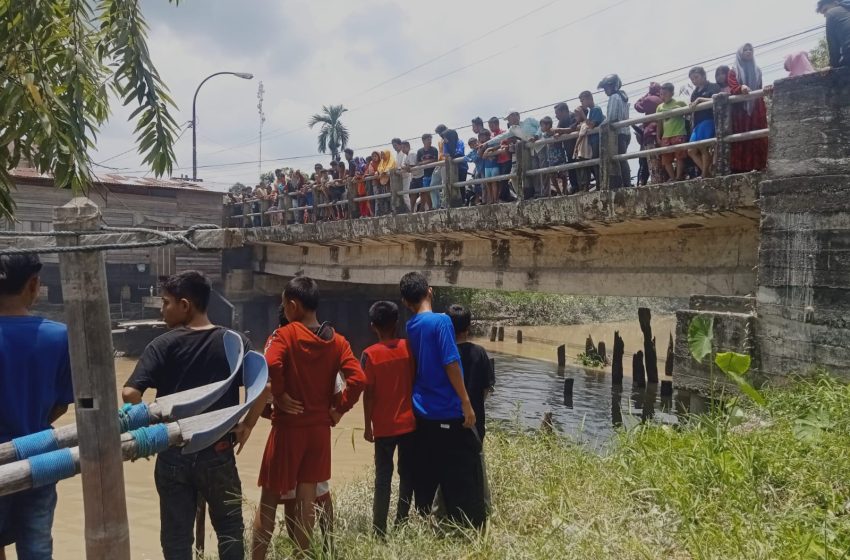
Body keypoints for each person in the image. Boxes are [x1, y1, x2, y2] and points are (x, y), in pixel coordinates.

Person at [123, 271, 251, 560]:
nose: (161, 309)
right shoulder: (234, 341)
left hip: (173, 451)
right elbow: (264, 384)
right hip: (218, 450)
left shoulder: (162, 345)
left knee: (176, 537)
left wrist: (149, 424)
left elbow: (130, 394)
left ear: (185, 305)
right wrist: (247, 425)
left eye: (166, 302)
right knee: (230, 528)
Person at [253, 277, 366, 557]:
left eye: (284, 304)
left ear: (293, 306)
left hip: (288, 430)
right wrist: (339, 408)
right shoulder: (337, 341)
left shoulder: (283, 335)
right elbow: (359, 379)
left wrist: (278, 394)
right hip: (319, 432)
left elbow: (269, 364)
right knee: (307, 500)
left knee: (269, 499)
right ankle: (302, 556)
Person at [0, 254, 73, 560]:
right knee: (37, 546)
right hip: (40, 453)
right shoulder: (59, 335)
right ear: (33, 284)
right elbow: (61, 405)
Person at [399, 272, 485, 529]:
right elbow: (450, 363)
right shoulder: (443, 322)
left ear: (405, 302)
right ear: (430, 291)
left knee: (429, 468)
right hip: (447, 409)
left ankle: (429, 517)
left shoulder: (411, 326)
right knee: (461, 470)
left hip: (422, 410)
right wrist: (466, 402)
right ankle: (465, 524)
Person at [361, 301, 416, 537]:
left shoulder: (369, 355)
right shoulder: (409, 348)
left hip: (383, 427)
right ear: (396, 323)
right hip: (410, 424)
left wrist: (367, 426)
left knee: (383, 478)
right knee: (407, 475)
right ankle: (401, 523)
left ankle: (378, 530)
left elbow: (369, 393)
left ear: (373, 326)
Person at [446, 305, 495, 442]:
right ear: (468, 328)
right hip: (474, 421)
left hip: (447, 421)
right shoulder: (479, 352)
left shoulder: (444, 354)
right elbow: (486, 388)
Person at [728, 43, 769, 173]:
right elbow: (733, 87)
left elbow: (759, 87)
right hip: (741, 110)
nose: (748, 51)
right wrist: (741, 88)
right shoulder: (734, 70)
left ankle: (759, 165)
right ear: (740, 53)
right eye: (745, 49)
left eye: (750, 49)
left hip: (756, 107)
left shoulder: (757, 70)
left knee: (758, 135)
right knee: (742, 135)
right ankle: (741, 168)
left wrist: (766, 89)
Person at [598, 74, 632, 188]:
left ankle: (625, 184)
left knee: (619, 160)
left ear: (613, 86)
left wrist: (600, 126)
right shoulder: (623, 97)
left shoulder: (614, 97)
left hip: (618, 133)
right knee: (621, 159)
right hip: (626, 132)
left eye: (606, 88)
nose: (605, 91)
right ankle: (626, 183)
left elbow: (612, 117)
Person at [687, 67, 722, 178]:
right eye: (692, 79)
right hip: (697, 123)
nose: (694, 81)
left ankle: (704, 174)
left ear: (704, 76)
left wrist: (700, 100)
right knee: (691, 150)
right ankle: (707, 172)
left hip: (708, 120)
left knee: (703, 147)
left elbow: (717, 99)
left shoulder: (713, 87)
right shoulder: (694, 92)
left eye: (696, 77)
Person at [655, 82, 689, 182]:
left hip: (679, 133)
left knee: (679, 157)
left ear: (671, 93)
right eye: (661, 94)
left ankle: (678, 177)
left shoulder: (680, 102)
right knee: (666, 159)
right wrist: (658, 136)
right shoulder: (659, 107)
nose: (662, 96)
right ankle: (672, 178)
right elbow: (659, 123)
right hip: (666, 136)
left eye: (665, 93)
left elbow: (688, 115)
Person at [634, 83, 664, 185]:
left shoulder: (650, 99)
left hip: (650, 133)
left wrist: (646, 95)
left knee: (651, 161)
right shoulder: (662, 99)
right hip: (662, 132)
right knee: (660, 159)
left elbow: (637, 106)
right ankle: (661, 180)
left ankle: (656, 183)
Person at [578, 91, 604, 190]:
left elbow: (591, 125)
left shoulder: (596, 109)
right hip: (593, 141)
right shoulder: (591, 111)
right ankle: (598, 184)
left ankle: (599, 185)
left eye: (583, 100)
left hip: (597, 140)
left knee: (596, 163)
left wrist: (582, 115)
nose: (582, 103)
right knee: (594, 163)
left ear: (589, 99)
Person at [553, 102, 579, 193]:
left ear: (564, 111)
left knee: (581, 167)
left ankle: (582, 185)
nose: (556, 116)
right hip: (569, 150)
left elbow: (573, 128)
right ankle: (575, 186)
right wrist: (557, 132)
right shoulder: (562, 121)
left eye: (557, 113)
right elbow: (557, 130)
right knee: (571, 168)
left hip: (578, 147)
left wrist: (560, 131)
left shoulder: (573, 116)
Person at [818, 0, 850, 68]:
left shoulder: (832, 12)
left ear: (835, 2)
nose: (825, 15)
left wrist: (832, 65)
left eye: (825, 10)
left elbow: (833, 48)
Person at [416, 134, 439, 212]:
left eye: (430, 139)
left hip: (434, 173)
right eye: (428, 140)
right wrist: (426, 162)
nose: (430, 141)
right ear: (423, 141)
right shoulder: (419, 151)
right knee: (426, 191)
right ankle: (430, 207)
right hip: (425, 174)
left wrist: (425, 162)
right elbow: (418, 163)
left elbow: (436, 160)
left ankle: (436, 206)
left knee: (434, 190)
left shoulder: (434, 149)